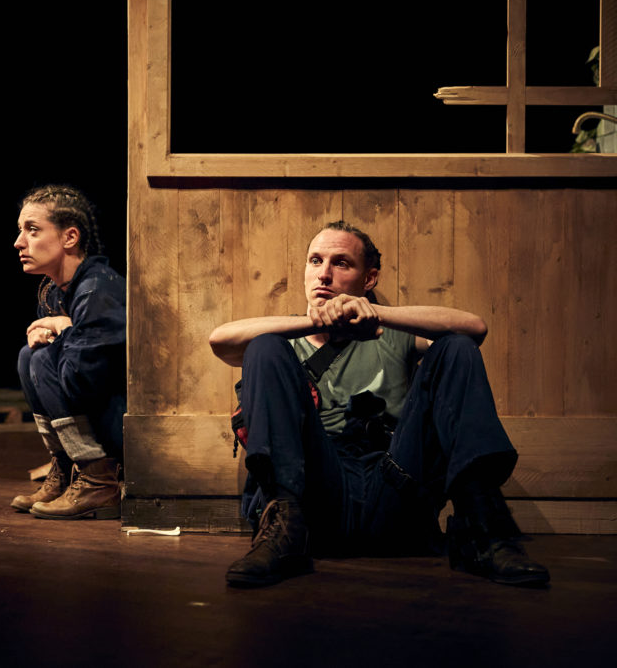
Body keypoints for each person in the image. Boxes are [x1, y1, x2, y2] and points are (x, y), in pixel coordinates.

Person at [208, 220, 550, 588]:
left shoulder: (392, 333)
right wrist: (311, 322)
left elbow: (474, 328)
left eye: (341, 263)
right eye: (315, 260)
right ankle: (283, 533)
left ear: (368, 279)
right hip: (319, 495)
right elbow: (220, 339)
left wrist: (376, 313)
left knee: (457, 348)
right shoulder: (284, 341)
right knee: (263, 344)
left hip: (394, 486)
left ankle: (483, 531)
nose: (323, 274)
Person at [10, 185, 126, 520]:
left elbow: (78, 381)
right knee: (27, 356)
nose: (19, 242)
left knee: (44, 357)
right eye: (21, 231)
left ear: (69, 237)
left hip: (125, 428)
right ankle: (66, 466)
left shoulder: (97, 290)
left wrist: (65, 328)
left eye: (32, 230)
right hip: (98, 419)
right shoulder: (54, 291)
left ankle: (98, 479)